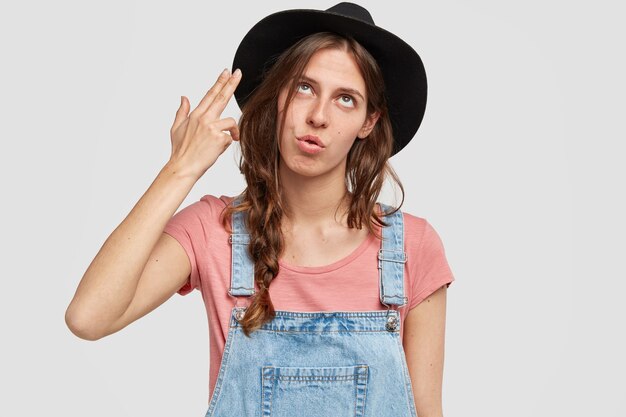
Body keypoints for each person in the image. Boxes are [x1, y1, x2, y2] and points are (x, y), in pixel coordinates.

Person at [65, 2, 455, 416]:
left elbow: (427, 410)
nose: (318, 116)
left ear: (368, 122)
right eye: (304, 87)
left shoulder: (412, 246)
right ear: (279, 97)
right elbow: (89, 318)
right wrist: (181, 169)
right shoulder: (214, 231)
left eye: (345, 99)